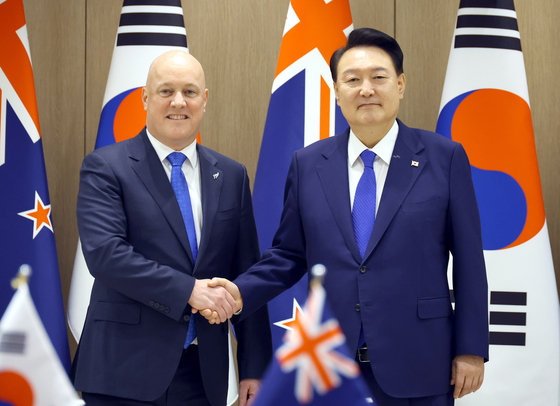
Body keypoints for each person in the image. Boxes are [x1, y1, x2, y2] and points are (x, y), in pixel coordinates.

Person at [207, 28, 488, 406]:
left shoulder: (444, 157)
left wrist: (470, 348)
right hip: (330, 367)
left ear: (400, 84)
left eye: (378, 77)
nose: (366, 89)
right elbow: (289, 255)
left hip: (420, 363)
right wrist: (239, 292)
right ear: (336, 92)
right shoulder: (308, 165)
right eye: (352, 80)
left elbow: (470, 261)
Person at [71, 50, 272, 406]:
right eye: (166, 91)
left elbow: (245, 272)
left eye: (190, 92)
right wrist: (189, 291)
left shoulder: (230, 175)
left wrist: (254, 366)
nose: (178, 102)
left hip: (202, 374)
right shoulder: (106, 167)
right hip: (122, 369)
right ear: (146, 98)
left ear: (204, 100)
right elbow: (106, 255)